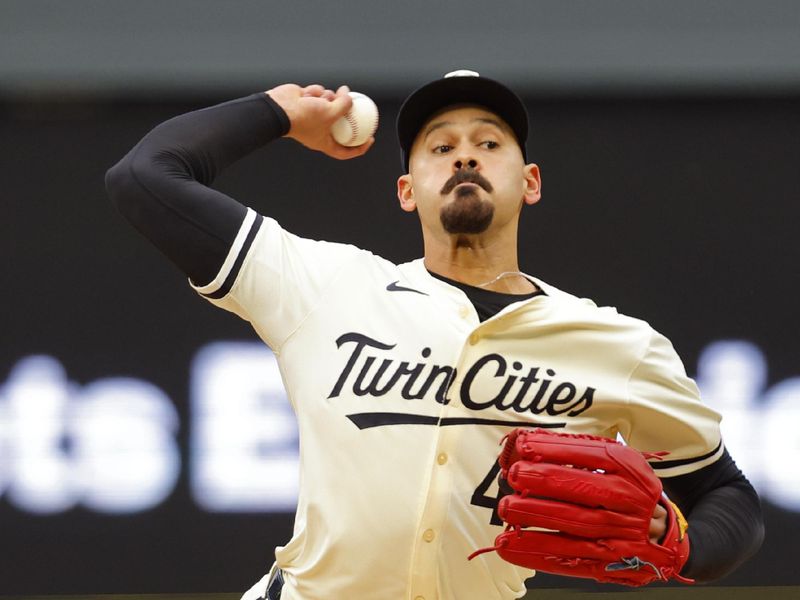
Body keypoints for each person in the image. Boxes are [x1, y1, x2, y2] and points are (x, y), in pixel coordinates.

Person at [106, 70, 764, 600]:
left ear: (529, 182)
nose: (465, 155)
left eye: (489, 142)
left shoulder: (614, 345)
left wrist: (686, 544)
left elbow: (726, 496)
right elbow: (144, 178)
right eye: (440, 147)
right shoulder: (326, 285)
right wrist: (279, 111)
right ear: (406, 191)